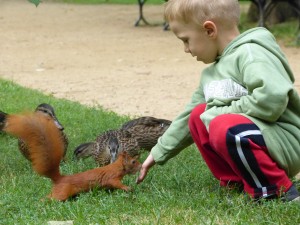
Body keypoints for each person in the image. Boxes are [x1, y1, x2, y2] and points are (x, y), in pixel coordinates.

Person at [136, 0, 300, 202]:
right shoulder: (212, 73)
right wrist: (158, 152)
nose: (186, 49)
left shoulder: (252, 53)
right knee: (198, 115)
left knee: (222, 123)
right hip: (258, 139)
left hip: (285, 141)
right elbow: (189, 115)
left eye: (186, 40)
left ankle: (275, 190)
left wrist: (220, 114)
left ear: (209, 30)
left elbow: (271, 101)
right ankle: (237, 182)